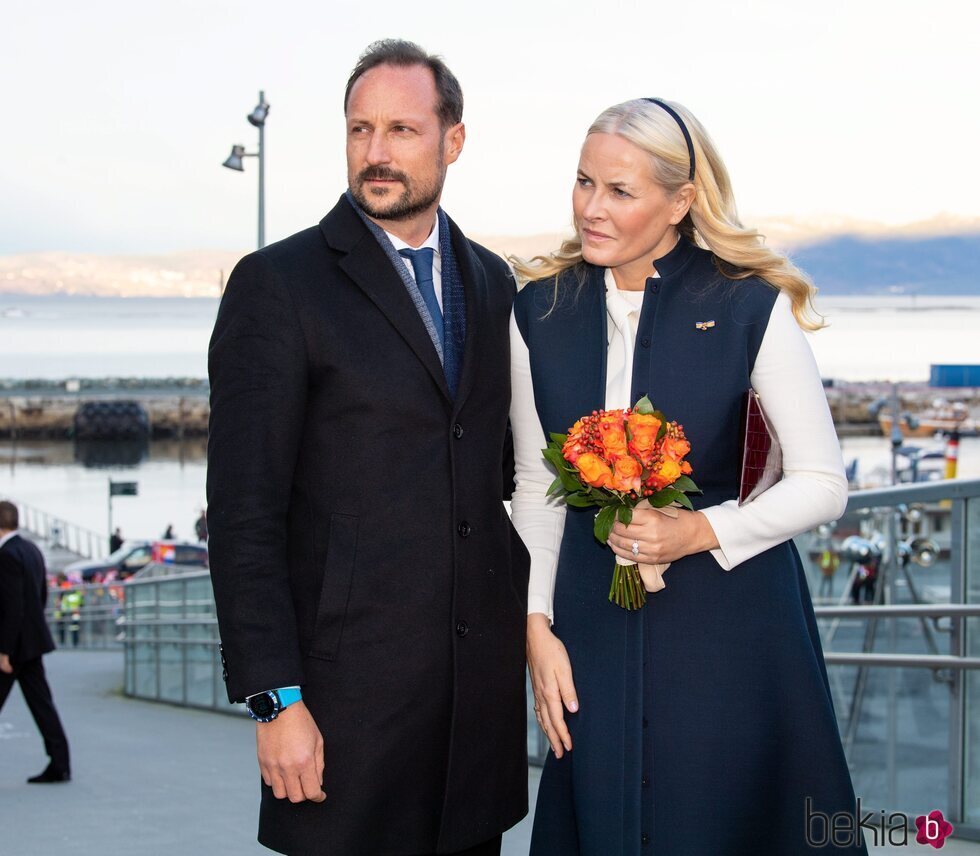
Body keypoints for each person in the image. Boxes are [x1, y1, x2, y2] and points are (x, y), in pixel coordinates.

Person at [510, 99, 866, 854]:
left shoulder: (745, 305)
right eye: (583, 183)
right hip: (591, 626)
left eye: (620, 191)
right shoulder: (537, 312)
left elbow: (821, 481)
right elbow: (532, 487)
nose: (591, 209)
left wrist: (700, 529)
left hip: (730, 626)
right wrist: (535, 628)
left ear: (680, 202)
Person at [207, 39, 529, 856]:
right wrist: (275, 703)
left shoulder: (495, 284)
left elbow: (505, 478)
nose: (376, 154)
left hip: (474, 724)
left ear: (453, 140)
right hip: (344, 716)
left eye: (401, 130)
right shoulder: (278, 285)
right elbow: (243, 517)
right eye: (359, 130)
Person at [0, 500, 71, 784]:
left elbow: (11, 607)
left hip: (13, 647)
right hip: (32, 641)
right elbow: (40, 595)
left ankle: (60, 763)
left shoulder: (5, 556)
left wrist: (4, 651)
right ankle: (60, 762)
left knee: (41, 704)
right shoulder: (31, 550)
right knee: (43, 705)